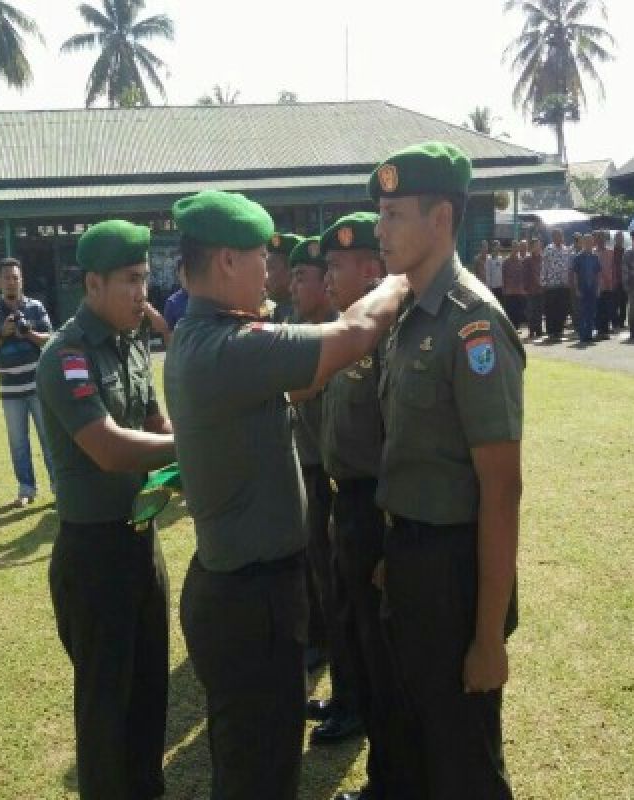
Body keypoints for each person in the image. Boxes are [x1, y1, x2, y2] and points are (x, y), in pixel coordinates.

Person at [164, 190, 408, 800]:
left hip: (237, 589)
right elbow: (354, 332)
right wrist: (404, 278)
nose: (268, 273)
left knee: (252, 758)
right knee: (261, 771)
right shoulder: (232, 346)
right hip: (252, 601)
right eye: (257, 258)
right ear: (224, 262)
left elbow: (297, 389)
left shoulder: (209, 337)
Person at [371, 141, 523, 798]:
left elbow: (502, 487)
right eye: (380, 214)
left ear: (441, 220)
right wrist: (394, 551)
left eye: (395, 214)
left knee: (463, 761)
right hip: (411, 558)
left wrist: (487, 636)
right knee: (415, 746)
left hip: (456, 570)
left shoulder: (473, 322)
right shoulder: (409, 312)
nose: (381, 230)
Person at [36, 220, 177, 800]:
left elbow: (154, 423)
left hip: (142, 543)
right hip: (93, 554)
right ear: (93, 283)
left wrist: (183, 451)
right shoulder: (66, 356)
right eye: (130, 280)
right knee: (103, 707)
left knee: (148, 694)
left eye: (145, 278)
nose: (142, 292)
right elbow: (109, 447)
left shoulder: (133, 341)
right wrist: (196, 447)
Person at [319, 211, 416, 800]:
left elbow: (395, 445)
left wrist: (386, 531)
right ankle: (384, 769)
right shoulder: (340, 332)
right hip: (343, 506)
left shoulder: (386, 342)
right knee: (356, 638)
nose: (327, 277)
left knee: (384, 660)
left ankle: (392, 781)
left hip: (374, 509)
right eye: (325, 266)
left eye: (337, 266)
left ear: (372, 271)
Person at [287, 236, 361, 744]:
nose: (298, 285)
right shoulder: (316, 333)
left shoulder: (350, 336)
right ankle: (347, 698)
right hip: (321, 477)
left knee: (352, 607)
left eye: (305, 275)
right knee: (335, 598)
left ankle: (357, 705)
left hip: (349, 487)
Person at [0, 257, 54, 507]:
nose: (11, 282)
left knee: (49, 437)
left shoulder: (36, 307)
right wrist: (2, 333)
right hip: (10, 389)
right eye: (6, 278)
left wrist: (28, 333)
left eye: (15, 277)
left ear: (22, 280)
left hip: (38, 385)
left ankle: (59, 485)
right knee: (18, 442)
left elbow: (49, 340)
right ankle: (26, 489)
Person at [541, 228, 572, 341]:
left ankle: (559, 331)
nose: (559, 238)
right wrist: (543, 282)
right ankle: (551, 332)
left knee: (562, 309)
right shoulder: (548, 249)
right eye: (556, 236)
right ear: (553, 237)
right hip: (551, 285)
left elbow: (569, 267)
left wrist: (569, 281)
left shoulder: (566, 250)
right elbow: (544, 267)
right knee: (551, 310)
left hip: (563, 285)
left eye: (560, 235)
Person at [571, 233, 601, 344]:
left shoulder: (595, 257)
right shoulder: (578, 257)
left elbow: (598, 274)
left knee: (591, 312)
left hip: (592, 288)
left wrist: (598, 287)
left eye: (590, 242)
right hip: (582, 288)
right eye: (586, 242)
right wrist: (577, 289)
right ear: (583, 243)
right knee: (583, 312)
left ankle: (589, 334)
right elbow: (575, 275)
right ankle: (583, 335)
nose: (589, 244)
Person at [267, 232, 303, 322]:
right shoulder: (273, 312)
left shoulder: (310, 315)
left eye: (271, 268)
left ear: (292, 272)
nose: (266, 276)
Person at [501, 240, 526, 331]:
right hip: (509, 291)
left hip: (519, 291)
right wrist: (504, 289)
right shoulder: (506, 262)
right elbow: (503, 276)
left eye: (517, 247)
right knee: (510, 311)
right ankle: (512, 329)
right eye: (514, 247)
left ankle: (517, 328)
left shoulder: (521, 261)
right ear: (512, 248)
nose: (516, 249)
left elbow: (524, 275)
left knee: (519, 311)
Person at [596, 231, 617, 340]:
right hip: (598, 286)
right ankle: (600, 330)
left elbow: (613, 268)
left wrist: (613, 281)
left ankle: (605, 329)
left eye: (602, 238)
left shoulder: (610, 252)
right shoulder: (594, 253)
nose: (601, 240)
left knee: (608, 308)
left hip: (609, 285)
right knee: (599, 309)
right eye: (599, 238)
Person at [524, 237, 544, 340]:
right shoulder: (527, 259)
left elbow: (544, 272)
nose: (538, 247)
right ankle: (532, 331)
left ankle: (539, 330)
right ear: (532, 247)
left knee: (539, 310)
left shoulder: (542, 258)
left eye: (539, 245)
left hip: (541, 289)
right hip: (531, 289)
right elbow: (525, 275)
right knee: (531, 310)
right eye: (536, 245)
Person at [163, 259, 189, 333]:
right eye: (185, 274)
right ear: (178, 274)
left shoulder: (207, 299)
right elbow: (168, 335)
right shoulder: (172, 303)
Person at [612, 232, 628, 330]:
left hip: (624, 280)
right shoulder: (612, 252)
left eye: (621, 238)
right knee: (614, 303)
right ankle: (615, 322)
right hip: (615, 280)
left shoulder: (625, 251)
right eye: (618, 238)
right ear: (615, 240)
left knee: (623, 302)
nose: (620, 240)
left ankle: (622, 321)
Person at [485, 239, 505, 303]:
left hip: (500, 286)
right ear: (493, 247)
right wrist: (489, 287)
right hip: (492, 287)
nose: (497, 248)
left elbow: (502, 272)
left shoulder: (501, 258)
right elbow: (488, 273)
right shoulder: (489, 259)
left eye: (498, 246)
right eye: (496, 246)